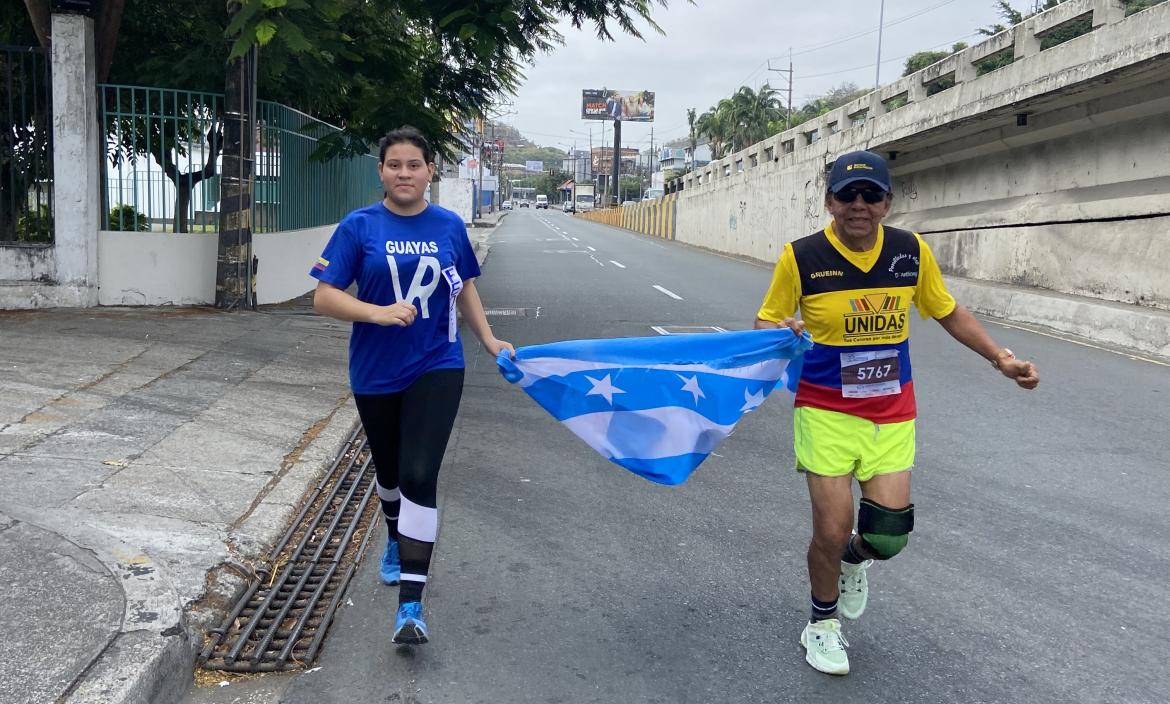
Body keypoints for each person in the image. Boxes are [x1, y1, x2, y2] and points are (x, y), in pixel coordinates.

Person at [754, 150, 1039, 675]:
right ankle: (821, 624)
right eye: (847, 195)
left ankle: (853, 562)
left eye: (871, 195)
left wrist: (1000, 357)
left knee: (886, 536)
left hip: (893, 411)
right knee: (832, 528)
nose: (858, 206)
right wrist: (782, 329)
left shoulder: (910, 252)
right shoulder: (803, 256)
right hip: (825, 410)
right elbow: (769, 317)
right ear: (829, 202)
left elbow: (946, 308)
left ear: (887, 202)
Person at [310, 126, 514, 645]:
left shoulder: (448, 225)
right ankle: (395, 537)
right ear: (381, 171)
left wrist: (489, 342)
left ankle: (410, 606)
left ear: (430, 172)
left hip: (437, 363)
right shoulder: (359, 227)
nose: (405, 173)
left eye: (415, 165)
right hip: (376, 370)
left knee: (419, 473)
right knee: (389, 473)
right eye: (395, 164)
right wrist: (376, 313)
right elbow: (325, 297)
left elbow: (463, 287)